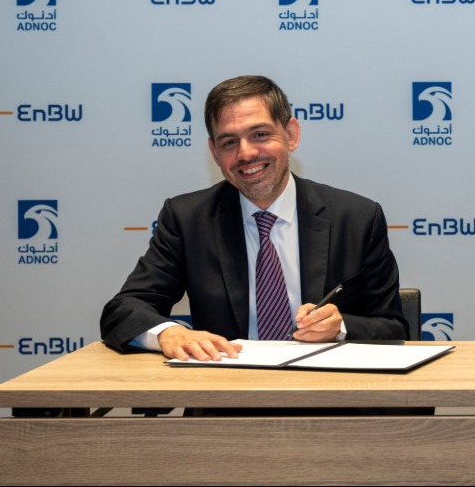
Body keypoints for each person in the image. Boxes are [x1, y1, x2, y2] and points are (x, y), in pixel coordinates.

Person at [101, 75, 408, 361]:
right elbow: (123, 310)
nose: (246, 153)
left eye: (260, 134)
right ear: (214, 152)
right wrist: (169, 333)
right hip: (224, 401)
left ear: (290, 135)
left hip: (329, 401)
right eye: (229, 142)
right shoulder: (187, 219)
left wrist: (341, 328)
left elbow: (395, 329)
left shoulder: (356, 218)